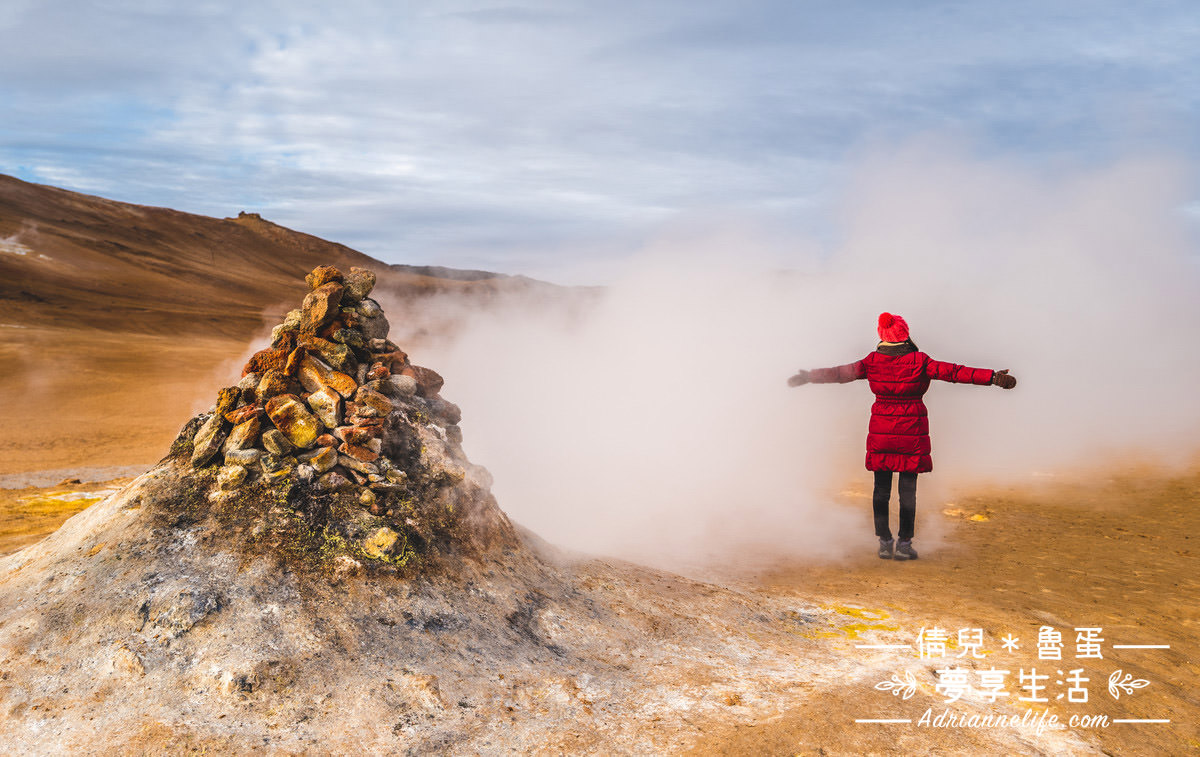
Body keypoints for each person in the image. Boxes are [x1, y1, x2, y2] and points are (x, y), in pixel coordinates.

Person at [787, 313, 1016, 560]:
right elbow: (956, 372)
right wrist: (993, 377)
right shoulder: (921, 361)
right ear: (905, 333)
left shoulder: (871, 361)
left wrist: (809, 376)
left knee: (880, 490)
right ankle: (905, 545)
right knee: (908, 492)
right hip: (912, 432)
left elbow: (840, 373)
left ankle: (884, 542)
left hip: (881, 431)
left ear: (882, 335)